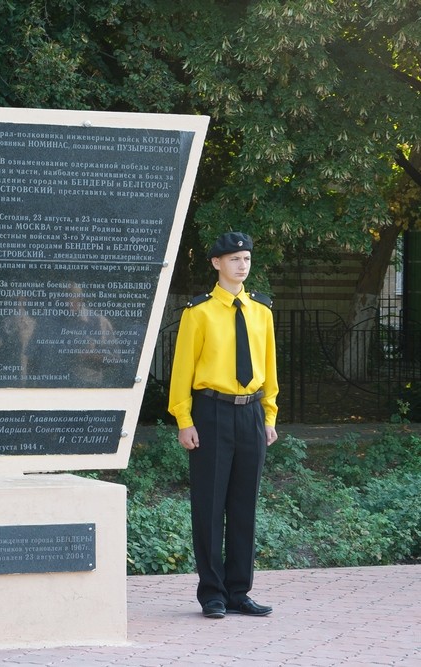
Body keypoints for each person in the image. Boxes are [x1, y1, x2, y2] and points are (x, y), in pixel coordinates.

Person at [167, 231, 279, 620]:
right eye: (233, 259)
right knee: (210, 505)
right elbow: (182, 371)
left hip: (250, 413)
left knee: (244, 506)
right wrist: (184, 420)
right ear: (216, 263)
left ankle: (239, 591)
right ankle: (212, 593)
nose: (242, 265)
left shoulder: (262, 311)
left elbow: (270, 369)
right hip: (210, 413)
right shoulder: (198, 312)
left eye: (246, 258)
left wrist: (269, 415)